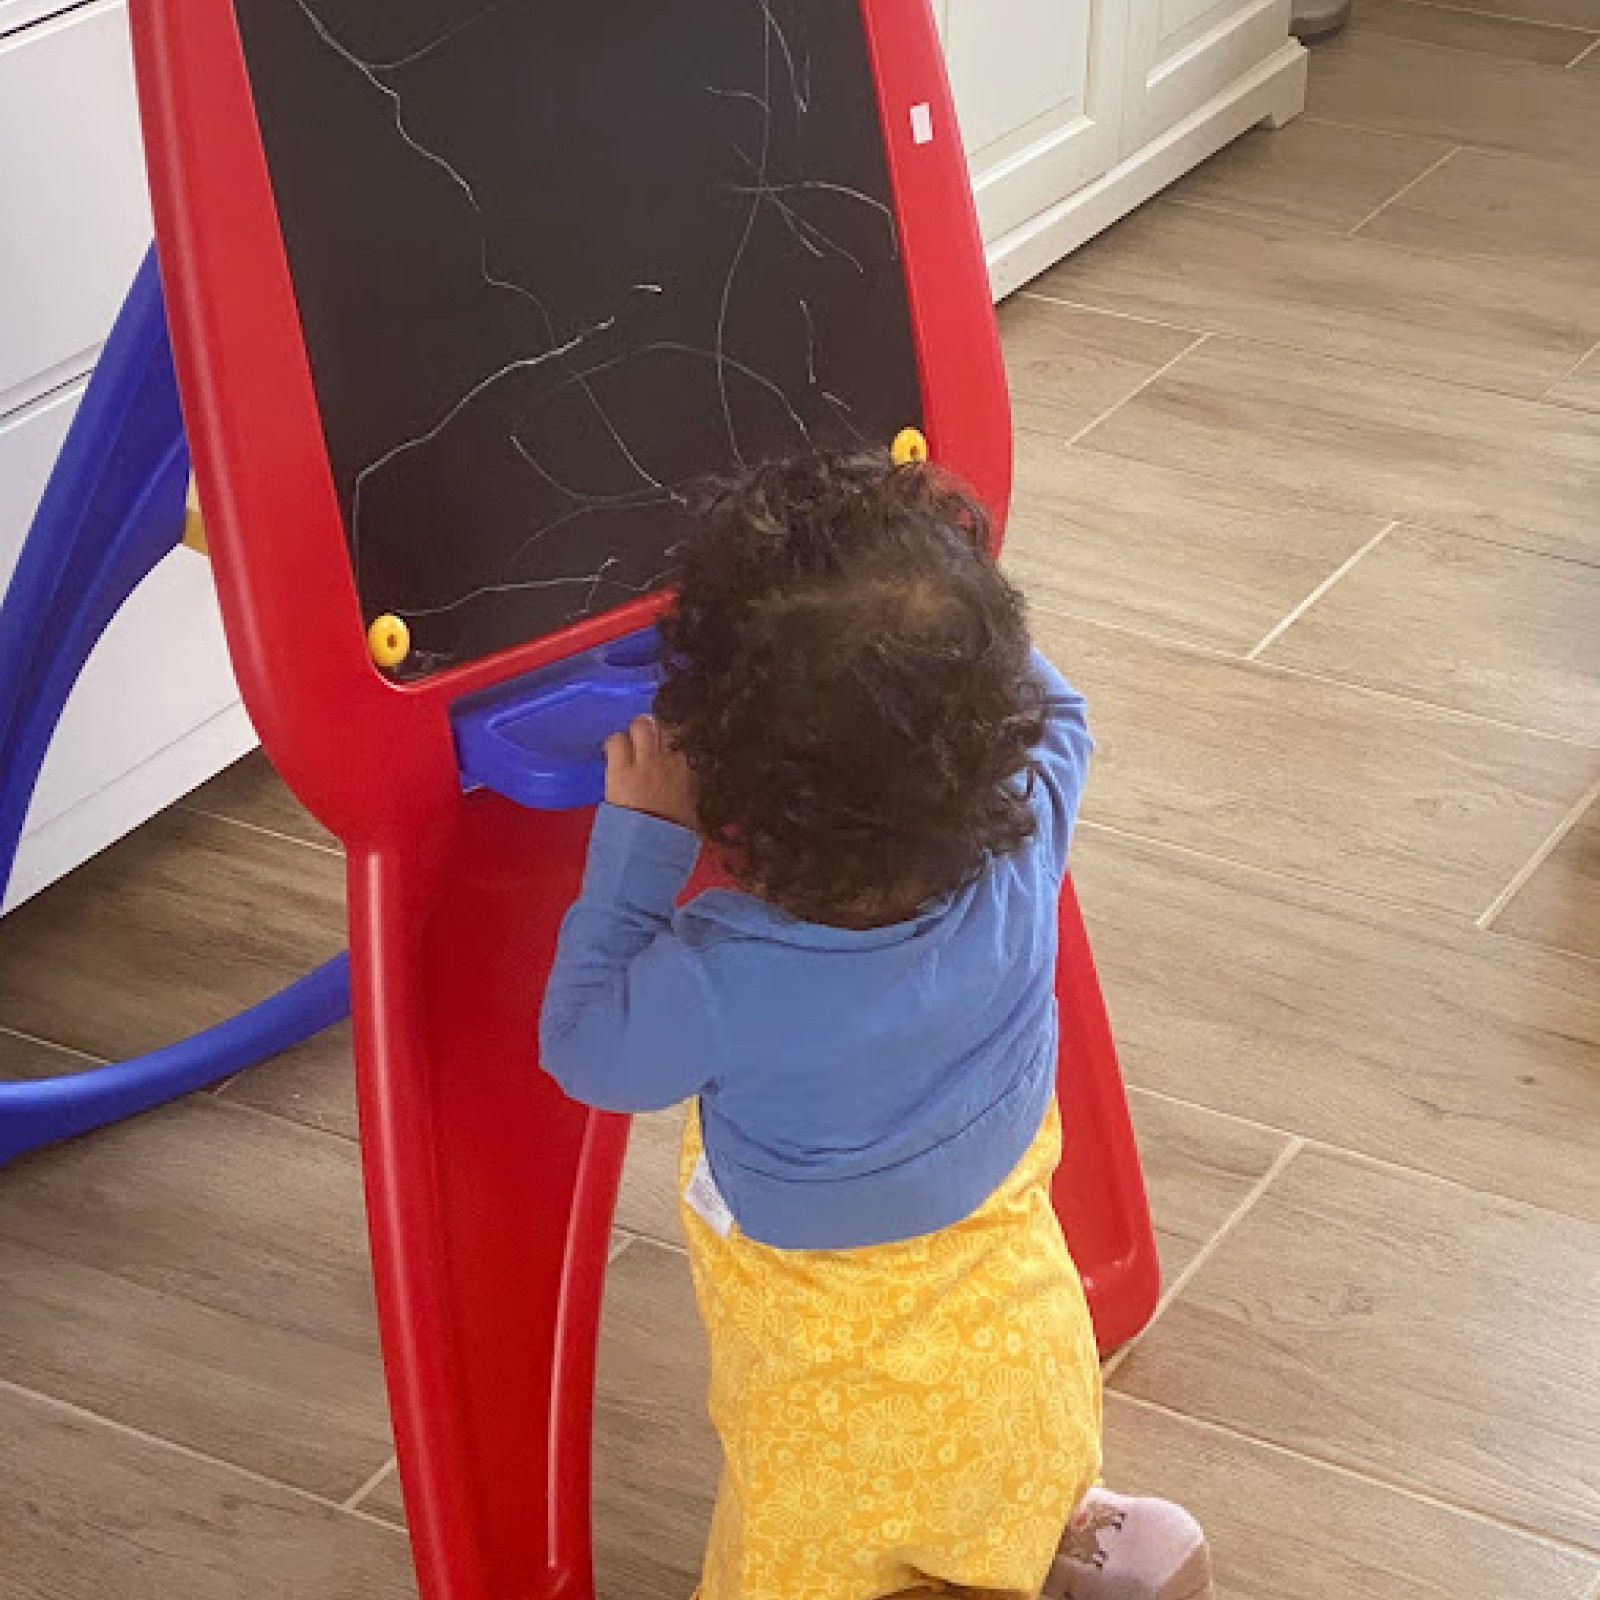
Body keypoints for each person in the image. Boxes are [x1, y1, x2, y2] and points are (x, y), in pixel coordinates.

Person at [540, 452, 1211, 1600]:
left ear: (731, 791)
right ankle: (1061, 1550)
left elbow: (584, 1048)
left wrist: (645, 835)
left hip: (833, 1439)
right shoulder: (1030, 838)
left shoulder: (720, 976)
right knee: (1011, 1486)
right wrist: (945, 629)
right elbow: (1061, 712)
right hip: (1027, 1360)